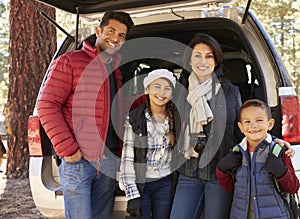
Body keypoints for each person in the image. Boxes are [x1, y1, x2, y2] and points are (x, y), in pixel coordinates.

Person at [37, 11, 134, 219]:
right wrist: (68, 149)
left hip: (108, 161)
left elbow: (116, 108)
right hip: (78, 160)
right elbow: (47, 104)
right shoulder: (70, 61)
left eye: (122, 36)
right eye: (111, 31)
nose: (116, 38)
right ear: (98, 31)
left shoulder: (115, 71)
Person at [170, 33, 243, 219]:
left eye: (209, 56)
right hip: (188, 169)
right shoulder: (178, 91)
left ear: (216, 60)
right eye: (197, 55)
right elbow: (164, 122)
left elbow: (245, 130)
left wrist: (274, 142)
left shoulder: (231, 92)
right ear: (190, 60)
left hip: (220, 171)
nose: (203, 61)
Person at [216, 99, 299, 218]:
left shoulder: (278, 151)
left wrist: (281, 172)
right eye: (247, 121)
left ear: (270, 124)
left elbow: (293, 187)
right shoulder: (236, 153)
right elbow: (228, 187)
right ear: (240, 127)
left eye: (259, 120)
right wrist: (222, 170)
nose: (253, 126)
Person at [119, 69, 180, 219]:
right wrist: (132, 194)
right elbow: (127, 160)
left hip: (165, 183)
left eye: (167, 88)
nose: (162, 92)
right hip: (141, 184)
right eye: (157, 86)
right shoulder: (134, 119)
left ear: (172, 94)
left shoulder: (176, 119)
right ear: (147, 89)